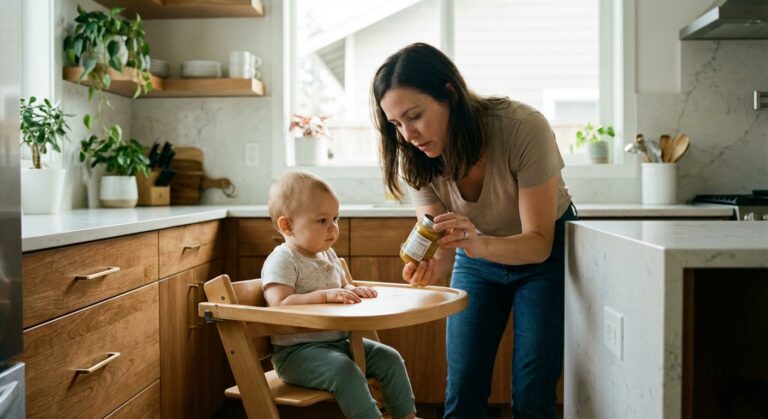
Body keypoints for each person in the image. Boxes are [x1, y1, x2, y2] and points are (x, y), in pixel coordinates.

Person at [370, 42, 578, 419]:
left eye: (414, 116)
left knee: (533, 386)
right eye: (396, 124)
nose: (408, 134)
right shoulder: (416, 159)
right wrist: (434, 264)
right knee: (464, 385)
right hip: (477, 255)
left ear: (450, 93)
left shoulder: (522, 127)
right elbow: (440, 236)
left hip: (544, 254)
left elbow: (538, 245)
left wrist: (475, 244)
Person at [262, 170, 418, 419]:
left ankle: (406, 416)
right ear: (287, 225)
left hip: (339, 344)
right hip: (297, 354)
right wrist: (324, 296)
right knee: (345, 370)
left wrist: (352, 290)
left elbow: (341, 287)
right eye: (322, 221)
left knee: (389, 357)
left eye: (336, 218)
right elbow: (279, 303)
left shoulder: (328, 254)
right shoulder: (283, 259)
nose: (333, 228)